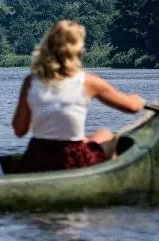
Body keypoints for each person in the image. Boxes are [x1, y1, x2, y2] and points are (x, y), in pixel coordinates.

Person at [12, 19, 145, 172]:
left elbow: (19, 130)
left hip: (36, 158)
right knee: (106, 134)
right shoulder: (88, 82)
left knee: (90, 138)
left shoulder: (30, 81)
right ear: (78, 51)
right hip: (72, 160)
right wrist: (138, 100)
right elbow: (132, 107)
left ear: (47, 47)